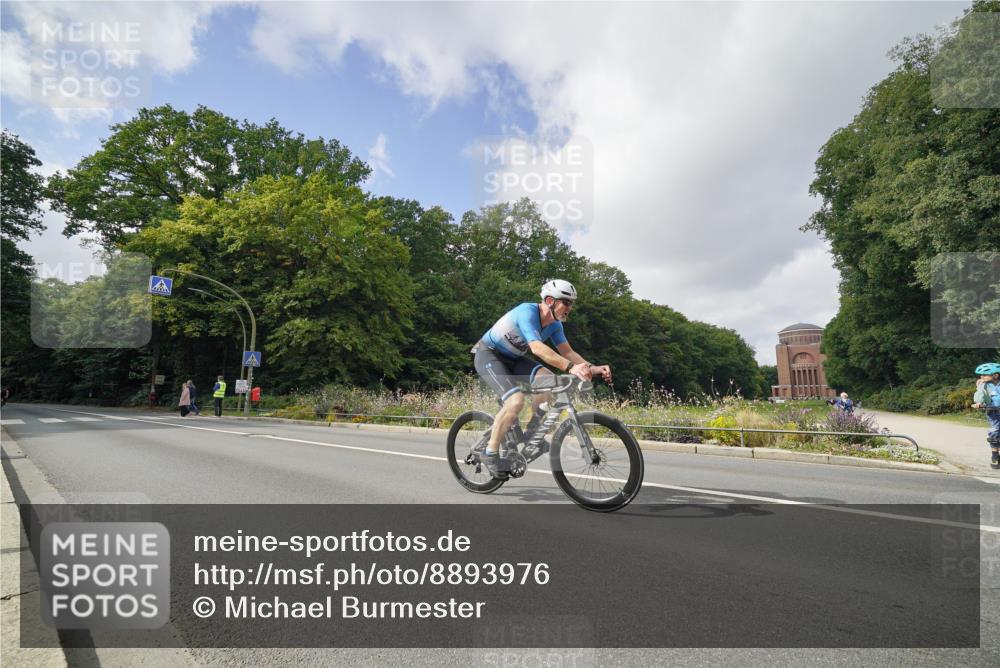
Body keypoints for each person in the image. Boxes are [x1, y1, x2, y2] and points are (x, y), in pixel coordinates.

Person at [471, 279, 612, 477]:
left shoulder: (555, 325)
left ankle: (532, 433)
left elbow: (568, 353)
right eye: (566, 302)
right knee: (516, 400)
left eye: (572, 303)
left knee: (549, 380)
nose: (570, 308)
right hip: (489, 355)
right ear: (549, 301)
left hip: (514, 359)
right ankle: (490, 453)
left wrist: (593, 368)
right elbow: (537, 348)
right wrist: (571, 368)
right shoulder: (526, 312)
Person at [971, 362, 1000, 470]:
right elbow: (980, 398)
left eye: (984, 375)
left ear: (995, 375)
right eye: (981, 375)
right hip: (993, 413)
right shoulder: (985, 385)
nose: (981, 377)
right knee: (994, 433)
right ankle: (995, 456)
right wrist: (979, 388)